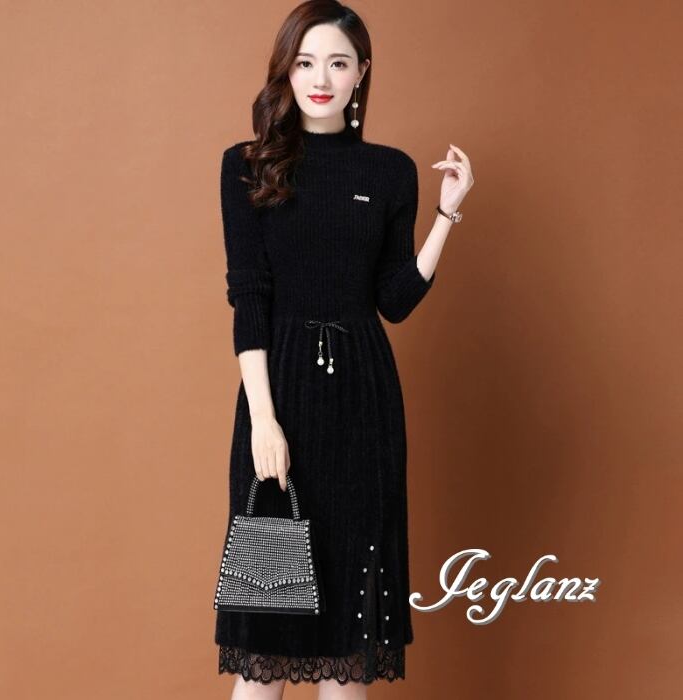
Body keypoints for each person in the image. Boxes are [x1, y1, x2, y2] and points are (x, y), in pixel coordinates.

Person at [214, 1, 474, 698]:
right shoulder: (247, 166)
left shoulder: (390, 172)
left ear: (362, 73)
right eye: (305, 63)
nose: (321, 79)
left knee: (348, 653)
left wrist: (447, 214)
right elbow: (250, 299)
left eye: (337, 63)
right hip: (279, 401)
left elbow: (394, 299)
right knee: (263, 645)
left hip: (364, 408)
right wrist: (264, 421)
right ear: (286, 71)